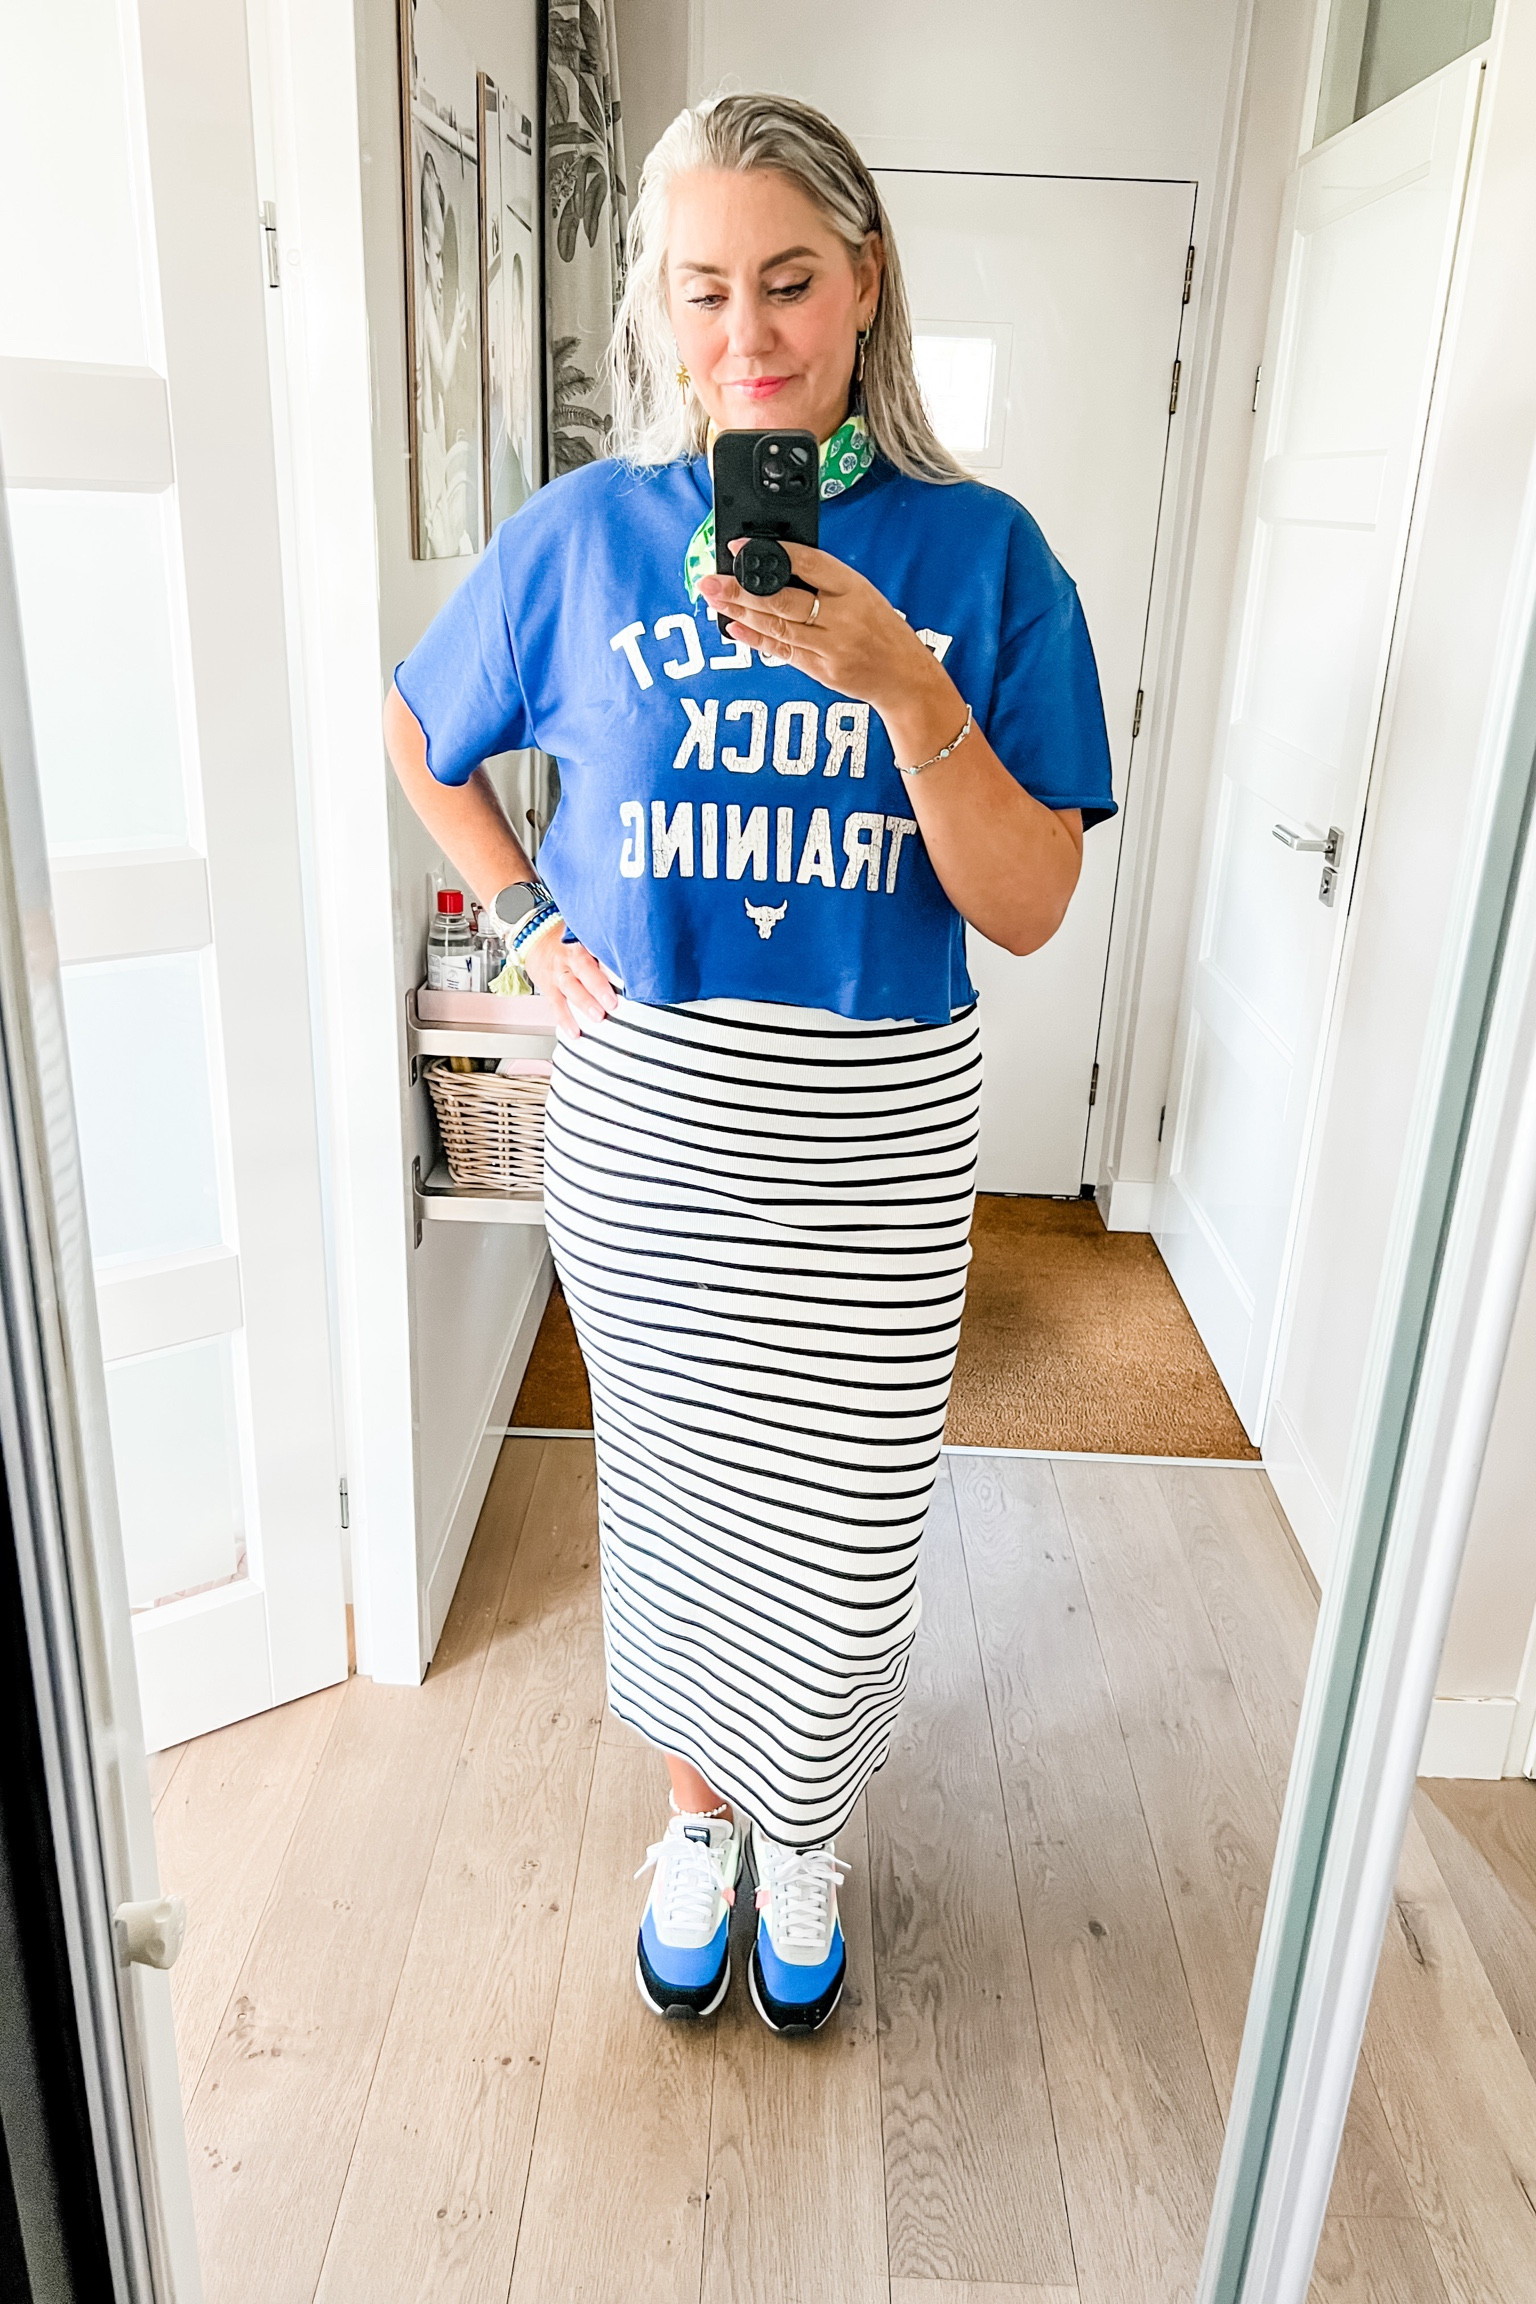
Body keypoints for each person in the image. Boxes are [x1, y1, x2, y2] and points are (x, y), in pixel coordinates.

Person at [385, 92, 1114, 2037]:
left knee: (852, 1541)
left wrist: (904, 684)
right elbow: (421, 736)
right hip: (655, 1139)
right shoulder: (585, 536)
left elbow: (1032, 902)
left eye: (789, 281)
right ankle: (706, 1826)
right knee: (686, 1517)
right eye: (701, 289)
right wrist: (526, 925)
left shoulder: (986, 558)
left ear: (866, 281)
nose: (747, 335)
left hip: (875, 1145)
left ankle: (811, 1830)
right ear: (656, 304)